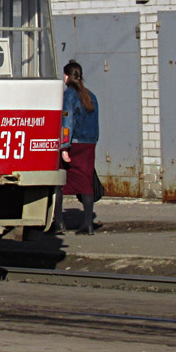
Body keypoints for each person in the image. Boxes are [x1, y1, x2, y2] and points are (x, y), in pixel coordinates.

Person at [59, 59, 100, 234]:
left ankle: (58, 223)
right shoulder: (91, 95)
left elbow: (66, 122)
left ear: (67, 76)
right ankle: (88, 224)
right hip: (89, 145)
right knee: (86, 183)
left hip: (74, 145)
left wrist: (64, 147)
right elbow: (95, 123)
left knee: (59, 183)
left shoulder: (69, 95)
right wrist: (92, 142)